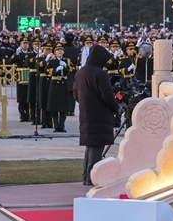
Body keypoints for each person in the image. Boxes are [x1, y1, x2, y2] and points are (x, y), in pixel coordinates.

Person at [74, 44, 120, 187]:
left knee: (90, 146)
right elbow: (107, 96)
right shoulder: (100, 74)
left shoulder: (81, 72)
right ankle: (92, 177)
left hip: (85, 113)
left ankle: (86, 176)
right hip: (100, 115)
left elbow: (75, 94)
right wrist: (117, 108)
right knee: (97, 147)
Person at [46, 44, 74, 132]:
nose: (60, 52)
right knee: (54, 107)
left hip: (64, 84)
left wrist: (66, 66)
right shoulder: (51, 61)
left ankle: (62, 125)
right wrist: (55, 70)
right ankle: (56, 125)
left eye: (61, 50)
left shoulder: (67, 61)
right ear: (55, 52)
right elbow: (46, 70)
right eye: (58, 50)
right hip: (54, 84)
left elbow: (73, 70)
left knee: (63, 107)